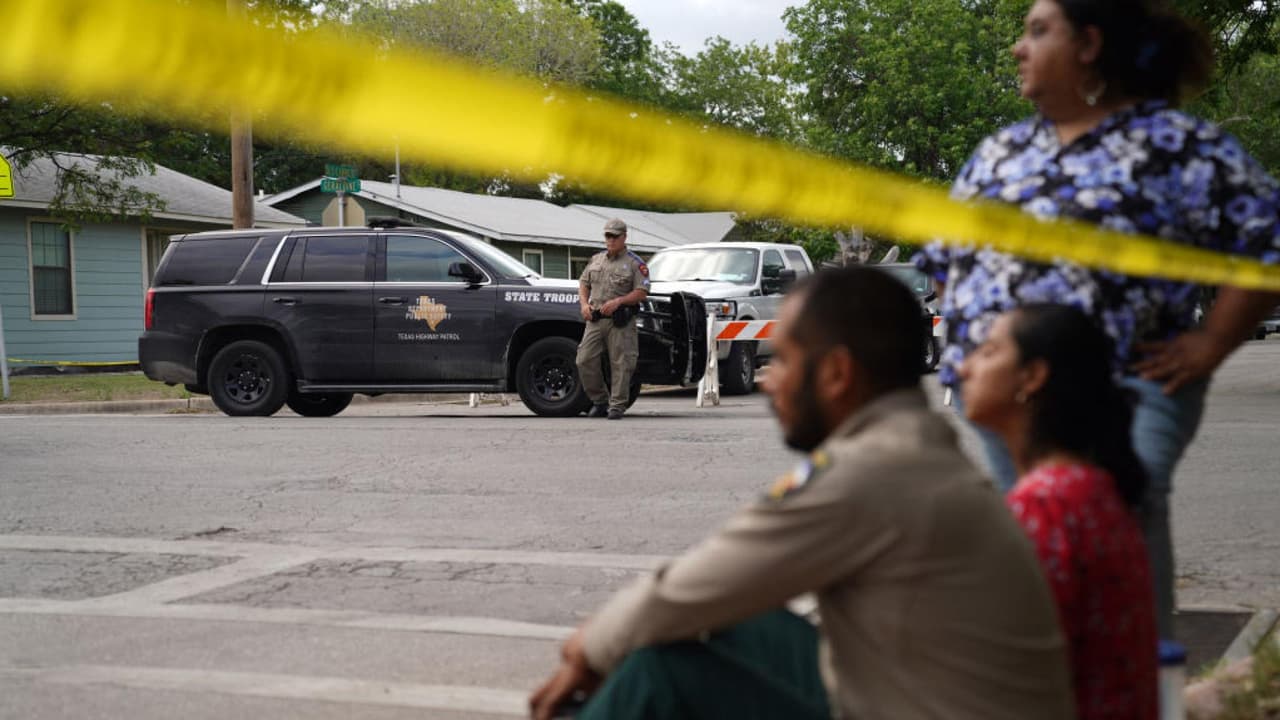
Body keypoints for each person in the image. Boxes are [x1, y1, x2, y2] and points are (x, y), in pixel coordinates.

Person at [530, 267, 1075, 720]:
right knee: (731, 618)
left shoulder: (873, 471)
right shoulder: (912, 445)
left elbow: (689, 590)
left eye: (784, 360)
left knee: (661, 667)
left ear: (837, 372)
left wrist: (587, 649)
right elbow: (710, 587)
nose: (769, 381)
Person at [915, 0, 1280, 638]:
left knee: (1116, 526)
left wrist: (1213, 342)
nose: (1017, 49)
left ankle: (1141, 674)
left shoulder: (1176, 146)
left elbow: (1267, 242)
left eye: (1037, 31)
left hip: (1127, 388)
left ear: (1088, 44)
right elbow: (944, 262)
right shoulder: (1001, 150)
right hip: (1007, 395)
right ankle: (1052, 676)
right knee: (1037, 545)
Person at [959, 304, 1158, 720]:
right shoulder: (1089, 487)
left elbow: (1006, 673)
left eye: (989, 352)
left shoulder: (1044, 506)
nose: (965, 367)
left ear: (1032, 376)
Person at [576, 218, 650, 420]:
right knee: (584, 359)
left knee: (621, 363)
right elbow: (584, 283)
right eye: (608, 236)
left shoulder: (635, 263)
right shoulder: (596, 260)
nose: (611, 240)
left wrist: (619, 301)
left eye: (615, 236)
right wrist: (584, 304)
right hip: (595, 319)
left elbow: (642, 291)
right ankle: (600, 401)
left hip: (620, 321)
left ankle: (617, 405)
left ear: (624, 237)